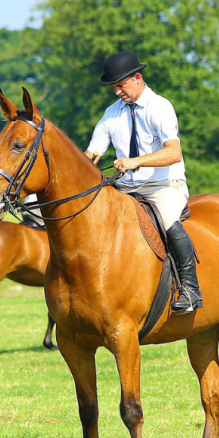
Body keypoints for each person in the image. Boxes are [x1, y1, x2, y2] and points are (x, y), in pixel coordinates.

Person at [84, 51, 201, 314]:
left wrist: (135, 162)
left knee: (169, 221)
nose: (117, 93)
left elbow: (174, 152)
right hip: (125, 188)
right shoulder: (111, 113)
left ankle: (191, 289)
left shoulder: (160, 107)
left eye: (121, 86)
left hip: (164, 185)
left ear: (137, 78)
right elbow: (92, 154)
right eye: (114, 88)